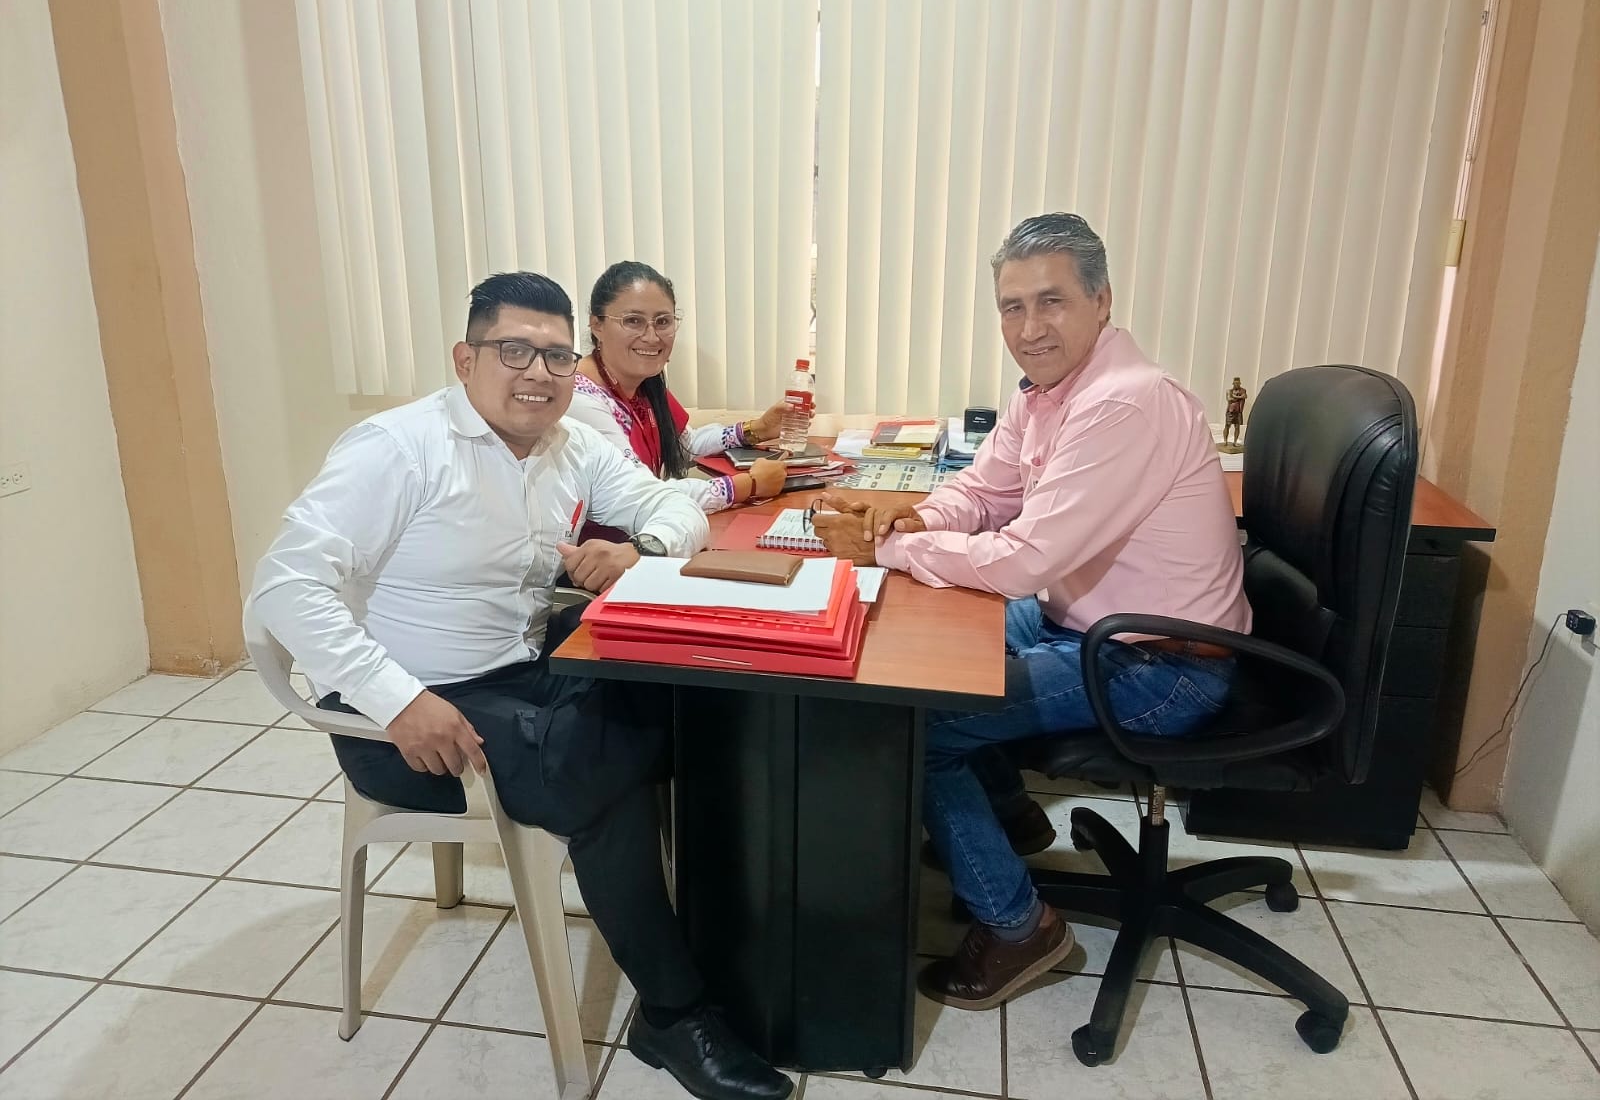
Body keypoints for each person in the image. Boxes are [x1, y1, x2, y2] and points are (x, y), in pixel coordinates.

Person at [249, 272, 792, 1100]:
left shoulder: (570, 443)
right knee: (600, 768)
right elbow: (285, 587)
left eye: (556, 356)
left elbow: (674, 505)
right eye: (514, 351)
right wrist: (398, 700)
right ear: (465, 359)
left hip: (524, 674)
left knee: (700, 694)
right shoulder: (397, 448)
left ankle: (707, 961)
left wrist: (641, 547)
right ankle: (677, 1012)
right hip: (411, 720)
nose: (538, 373)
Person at [809, 213, 1250, 1011]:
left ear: (1101, 301)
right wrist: (914, 517)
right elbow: (985, 491)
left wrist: (886, 550)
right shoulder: (1048, 392)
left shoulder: (1123, 405)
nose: (1029, 327)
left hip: (1160, 663)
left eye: (1051, 302)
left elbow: (1025, 559)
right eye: (1012, 307)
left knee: (916, 725)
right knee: (927, 644)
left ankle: (1020, 927)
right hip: (1083, 620)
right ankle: (1007, 823)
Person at [564, 261, 790, 535]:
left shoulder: (644, 383)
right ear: (596, 325)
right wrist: (749, 484)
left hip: (644, 536)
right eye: (633, 321)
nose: (651, 337)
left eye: (663, 322)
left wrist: (758, 429)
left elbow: (684, 446)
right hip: (600, 550)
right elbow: (643, 495)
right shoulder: (579, 398)